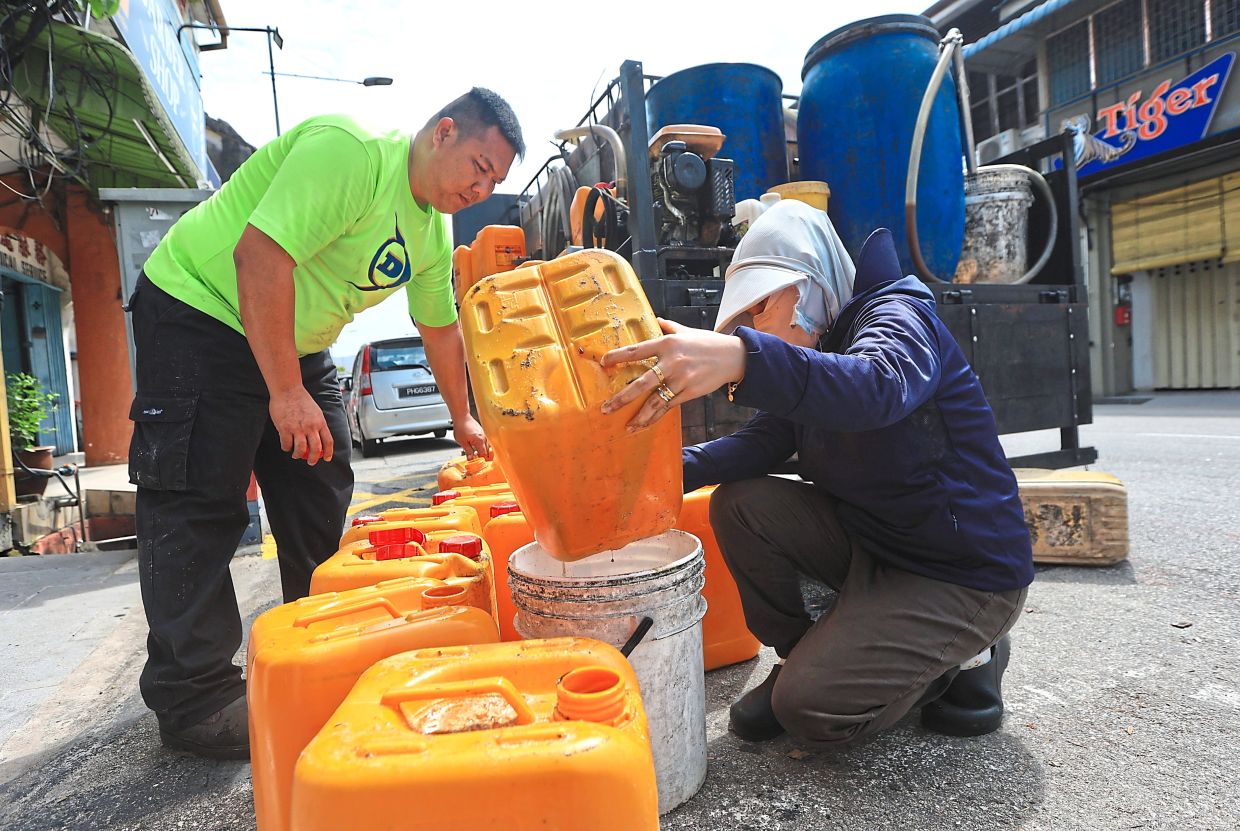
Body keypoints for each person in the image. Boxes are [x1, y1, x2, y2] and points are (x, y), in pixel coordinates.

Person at [126, 88, 523, 759]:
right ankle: (194, 697)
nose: (480, 190)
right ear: (444, 132)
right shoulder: (352, 155)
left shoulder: (431, 229)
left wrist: (464, 418)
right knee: (198, 501)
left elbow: (440, 327)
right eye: (478, 167)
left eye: (494, 182)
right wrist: (284, 391)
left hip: (294, 336)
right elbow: (258, 258)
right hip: (204, 307)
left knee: (319, 485)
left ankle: (317, 647)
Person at [601, 199, 1033, 746]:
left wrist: (742, 359)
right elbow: (759, 443)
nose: (752, 327)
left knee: (810, 711)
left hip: (960, 571)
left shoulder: (898, 318)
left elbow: (878, 385)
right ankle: (806, 653)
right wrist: (646, 477)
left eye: (759, 309)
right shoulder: (820, 346)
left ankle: (967, 653)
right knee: (741, 504)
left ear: (806, 286)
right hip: (881, 547)